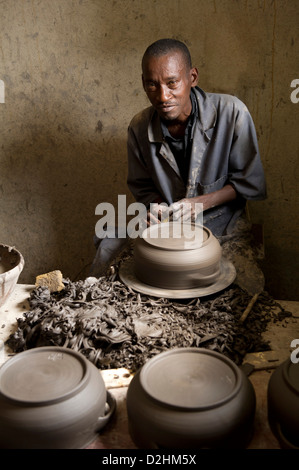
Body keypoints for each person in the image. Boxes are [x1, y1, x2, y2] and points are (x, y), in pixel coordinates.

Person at [90, 38, 266, 288]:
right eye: (152, 85)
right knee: (108, 249)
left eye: (172, 83)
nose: (163, 96)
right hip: (168, 223)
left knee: (246, 284)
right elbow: (143, 188)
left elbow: (250, 184)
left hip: (222, 221)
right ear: (143, 83)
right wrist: (157, 209)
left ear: (192, 77)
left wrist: (200, 203)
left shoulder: (232, 113)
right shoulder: (139, 127)